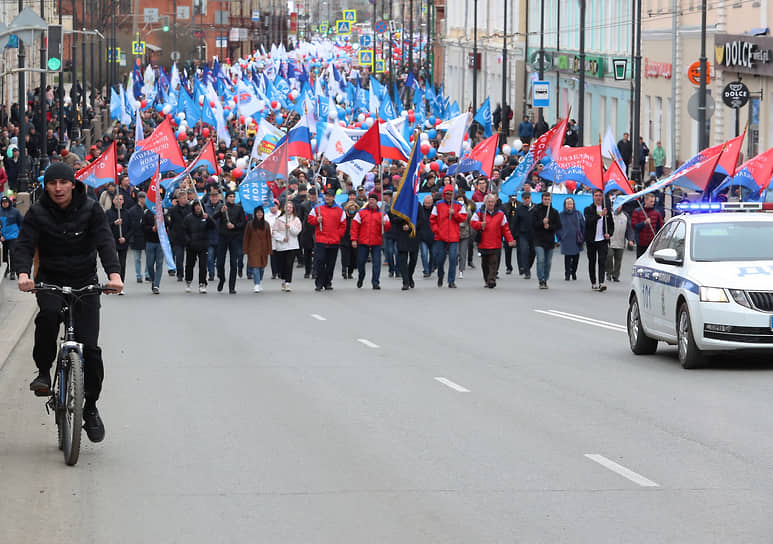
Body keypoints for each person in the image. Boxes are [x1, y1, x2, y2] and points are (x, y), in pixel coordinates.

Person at [13, 162, 123, 443]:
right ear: (46, 187)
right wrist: (24, 274)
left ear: (73, 184)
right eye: (53, 183)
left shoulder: (90, 209)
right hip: (50, 280)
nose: (58, 188)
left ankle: (90, 408)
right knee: (47, 318)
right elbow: (24, 244)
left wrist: (113, 275)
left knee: (91, 351)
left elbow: (105, 241)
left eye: (64, 182)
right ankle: (42, 372)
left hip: (85, 281)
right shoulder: (37, 213)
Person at [470, 194, 516, 288]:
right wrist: (480, 224)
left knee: (493, 262)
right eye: (489, 202)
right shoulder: (479, 213)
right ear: (485, 203)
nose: (490, 204)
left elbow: (505, 228)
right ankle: (487, 279)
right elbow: (472, 223)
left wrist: (510, 239)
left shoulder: (500, 214)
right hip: (483, 242)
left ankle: (492, 279)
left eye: (492, 202)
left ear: (495, 203)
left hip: (495, 242)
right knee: (485, 263)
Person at [307, 189, 346, 291]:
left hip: (334, 240)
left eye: (329, 196)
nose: (327, 198)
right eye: (326, 196)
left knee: (330, 263)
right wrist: (316, 220)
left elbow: (343, 224)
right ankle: (319, 283)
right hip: (321, 239)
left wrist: (338, 235)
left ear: (333, 197)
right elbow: (310, 219)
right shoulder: (318, 208)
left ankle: (328, 282)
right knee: (320, 261)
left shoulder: (340, 210)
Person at [430, 184, 468, 288]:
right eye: (447, 194)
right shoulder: (438, 204)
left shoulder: (459, 205)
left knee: (452, 258)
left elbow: (463, 218)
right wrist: (436, 230)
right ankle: (440, 275)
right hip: (440, 236)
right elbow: (432, 219)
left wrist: (454, 213)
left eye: (450, 194)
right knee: (440, 259)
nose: (448, 196)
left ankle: (451, 280)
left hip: (453, 236)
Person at [351, 192, 391, 289]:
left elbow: (388, 228)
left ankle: (375, 282)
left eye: (373, 200)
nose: (371, 201)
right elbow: (354, 226)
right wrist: (354, 239)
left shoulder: (382, 214)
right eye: (370, 200)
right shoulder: (361, 212)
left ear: (377, 202)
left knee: (376, 263)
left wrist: (384, 223)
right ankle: (361, 277)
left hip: (376, 241)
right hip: (363, 241)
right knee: (360, 262)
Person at [583, 189, 614, 292]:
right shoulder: (588, 209)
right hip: (591, 240)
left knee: (602, 261)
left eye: (600, 196)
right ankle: (593, 282)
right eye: (596, 195)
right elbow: (588, 222)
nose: (598, 197)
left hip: (602, 240)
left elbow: (611, 225)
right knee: (592, 261)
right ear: (593, 197)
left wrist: (609, 233)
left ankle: (601, 282)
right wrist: (599, 215)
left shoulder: (607, 210)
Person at [215, 190, 245, 294]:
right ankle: (222, 278)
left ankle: (232, 286)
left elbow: (243, 223)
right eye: (230, 196)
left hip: (234, 238)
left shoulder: (239, 208)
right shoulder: (222, 207)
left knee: (233, 263)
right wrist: (221, 212)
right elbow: (213, 218)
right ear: (226, 198)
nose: (232, 198)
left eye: (233, 196)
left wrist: (234, 226)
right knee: (219, 263)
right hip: (223, 237)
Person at [183, 200, 215, 293]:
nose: (198, 208)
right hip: (191, 246)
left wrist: (209, 218)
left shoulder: (205, 216)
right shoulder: (188, 218)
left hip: (203, 245)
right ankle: (188, 281)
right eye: (196, 206)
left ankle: (202, 284)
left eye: (199, 206)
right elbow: (184, 231)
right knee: (190, 265)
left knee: (203, 266)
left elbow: (213, 226)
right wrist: (188, 241)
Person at [531, 192, 561, 289]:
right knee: (541, 259)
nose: (547, 201)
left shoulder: (554, 212)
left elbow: (559, 225)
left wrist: (549, 226)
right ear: (542, 199)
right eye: (545, 199)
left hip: (550, 240)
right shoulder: (536, 210)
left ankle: (546, 278)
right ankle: (541, 279)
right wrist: (541, 223)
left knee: (548, 262)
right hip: (538, 239)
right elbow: (533, 224)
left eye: (548, 199)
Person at [272, 200, 302, 292]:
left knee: (289, 264)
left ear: (293, 209)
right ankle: (283, 279)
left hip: (292, 246)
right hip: (281, 246)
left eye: (290, 207)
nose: (288, 209)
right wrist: (281, 238)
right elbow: (274, 232)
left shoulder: (296, 219)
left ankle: (288, 283)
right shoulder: (279, 219)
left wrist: (290, 227)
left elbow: (297, 231)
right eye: (287, 207)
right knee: (281, 265)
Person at [242, 207, 272, 293]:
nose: (259, 214)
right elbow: (246, 238)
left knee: (262, 268)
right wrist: (245, 249)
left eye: (261, 213)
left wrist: (269, 249)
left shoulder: (266, 224)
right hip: (253, 249)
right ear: (255, 214)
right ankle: (257, 284)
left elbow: (269, 238)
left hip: (263, 249)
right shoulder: (250, 224)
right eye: (258, 213)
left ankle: (259, 281)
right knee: (255, 267)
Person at [557, 197, 585, 281]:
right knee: (567, 257)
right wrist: (560, 236)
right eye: (568, 204)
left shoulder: (578, 214)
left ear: (573, 205)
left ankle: (573, 271)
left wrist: (583, 236)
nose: (569, 205)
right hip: (566, 239)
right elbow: (557, 227)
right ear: (565, 205)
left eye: (571, 204)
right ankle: (567, 273)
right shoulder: (561, 215)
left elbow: (583, 225)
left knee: (576, 257)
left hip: (577, 239)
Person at [105, 194, 130, 288]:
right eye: (117, 199)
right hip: (112, 241)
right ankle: (112, 280)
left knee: (122, 263)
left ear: (123, 201)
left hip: (123, 241)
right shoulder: (108, 213)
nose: (119, 201)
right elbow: (105, 226)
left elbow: (131, 228)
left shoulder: (127, 213)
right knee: (112, 262)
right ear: (113, 201)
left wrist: (125, 238)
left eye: (120, 199)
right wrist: (114, 223)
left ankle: (121, 283)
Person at [606, 205, 634, 283]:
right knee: (609, 256)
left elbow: (629, 228)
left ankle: (616, 275)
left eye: (619, 206)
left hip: (621, 241)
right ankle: (609, 273)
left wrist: (630, 239)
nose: (617, 207)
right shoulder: (609, 215)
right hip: (610, 241)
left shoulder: (625, 216)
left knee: (618, 260)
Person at [167, 189, 190, 282]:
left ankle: (188, 273)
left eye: (186, 198)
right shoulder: (173, 210)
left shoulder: (190, 208)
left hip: (189, 235)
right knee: (179, 257)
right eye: (183, 198)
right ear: (179, 199)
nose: (185, 199)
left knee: (189, 257)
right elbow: (169, 222)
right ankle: (180, 273)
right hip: (177, 235)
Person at [631, 192, 663, 257]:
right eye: (651, 201)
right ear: (645, 200)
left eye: (653, 202)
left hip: (652, 243)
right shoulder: (637, 211)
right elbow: (634, 226)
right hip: (641, 242)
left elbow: (660, 227)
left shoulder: (657, 213)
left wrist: (658, 238)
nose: (652, 203)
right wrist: (644, 223)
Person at [127, 191, 150, 283]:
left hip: (146, 235)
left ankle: (147, 274)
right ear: (140, 199)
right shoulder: (132, 210)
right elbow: (131, 224)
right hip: (137, 235)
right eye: (144, 198)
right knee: (137, 258)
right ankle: (138, 275)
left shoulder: (148, 209)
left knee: (149, 256)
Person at [513, 190, 536, 279]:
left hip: (534, 234)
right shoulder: (519, 209)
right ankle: (527, 271)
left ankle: (527, 266)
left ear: (530, 198)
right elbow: (515, 223)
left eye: (528, 198)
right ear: (522, 199)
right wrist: (514, 236)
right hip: (523, 234)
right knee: (524, 251)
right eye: (525, 199)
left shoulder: (535, 208)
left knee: (533, 252)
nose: (527, 200)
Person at [0, 195, 23, 280]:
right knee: (4, 254)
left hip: (13, 236)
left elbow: (21, 222)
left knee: (13, 254)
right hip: (3, 237)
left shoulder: (15, 211)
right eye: (3, 203)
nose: (4, 204)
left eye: (6, 202)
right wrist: (0, 236)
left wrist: (20, 233)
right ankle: (6, 269)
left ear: (9, 203)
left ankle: (13, 271)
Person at [340, 200, 359, 280]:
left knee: (353, 256)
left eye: (353, 208)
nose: (352, 210)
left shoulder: (357, 216)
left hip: (354, 239)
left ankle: (350, 272)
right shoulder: (344, 216)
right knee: (345, 255)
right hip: (344, 238)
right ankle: (344, 270)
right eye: (350, 208)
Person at [418, 195, 435, 278]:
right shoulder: (420, 210)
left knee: (433, 254)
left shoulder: (435, 210)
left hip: (433, 236)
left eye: (429, 203)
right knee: (424, 254)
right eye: (426, 203)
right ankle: (426, 270)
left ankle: (431, 266)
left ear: (432, 203)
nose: (427, 205)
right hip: (422, 236)